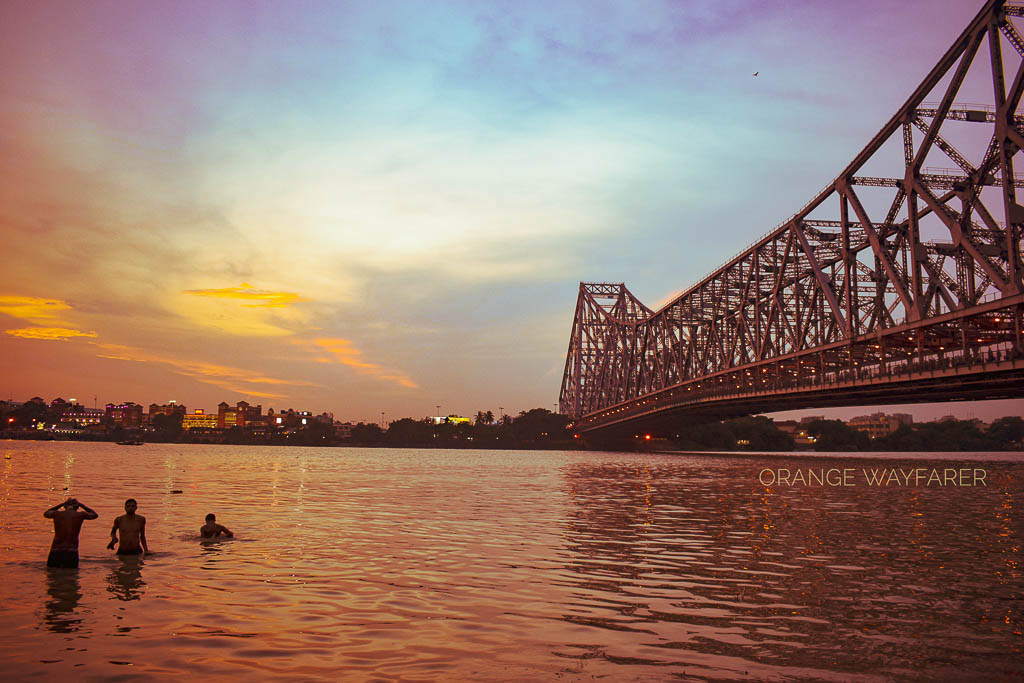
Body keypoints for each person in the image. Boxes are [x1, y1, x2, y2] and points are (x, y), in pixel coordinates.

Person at [43, 497, 99, 568]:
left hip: (56, 548)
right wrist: (82, 505)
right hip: (71, 549)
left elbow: (46, 513)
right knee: (71, 575)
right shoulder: (81, 515)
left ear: (65, 506)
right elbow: (94, 515)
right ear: (77, 507)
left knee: (52, 575)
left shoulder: (56, 514)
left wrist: (60, 505)